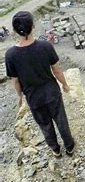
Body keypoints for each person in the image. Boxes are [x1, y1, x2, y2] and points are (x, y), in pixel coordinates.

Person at [5, 11, 75, 158]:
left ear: (14, 30)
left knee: (45, 125)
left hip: (33, 97)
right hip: (52, 93)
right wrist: (65, 85)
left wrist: (20, 96)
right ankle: (69, 147)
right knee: (61, 120)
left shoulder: (10, 55)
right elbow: (57, 71)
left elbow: (16, 81)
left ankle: (55, 150)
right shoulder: (45, 46)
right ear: (33, 27)